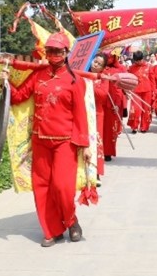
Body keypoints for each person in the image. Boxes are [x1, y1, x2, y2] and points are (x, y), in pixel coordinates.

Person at [6, 32, 92, 247]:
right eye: (50, 50)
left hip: (65, 141)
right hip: (40, 139)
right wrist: (5, 83)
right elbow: (18, 97)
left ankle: (71, 221)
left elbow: (81, 114)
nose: (53, 54)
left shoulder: (75, 80)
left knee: (62, 186)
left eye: (58, 51)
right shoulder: (38, 75)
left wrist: (85, 145)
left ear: (66, 53)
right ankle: (51, 230)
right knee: (42, 186)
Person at [127, 50, 153, 134]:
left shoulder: (149, 66)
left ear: (143, 58)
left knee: (146, 109)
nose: (138, 62)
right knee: (136, 109)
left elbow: (152, 80)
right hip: (135, 91)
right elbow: (128, 79)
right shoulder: (131, 68)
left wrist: (154, 92)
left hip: (147, 90)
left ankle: (144, 127)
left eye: (140, 60)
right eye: (136, 60)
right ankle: (134, 126)